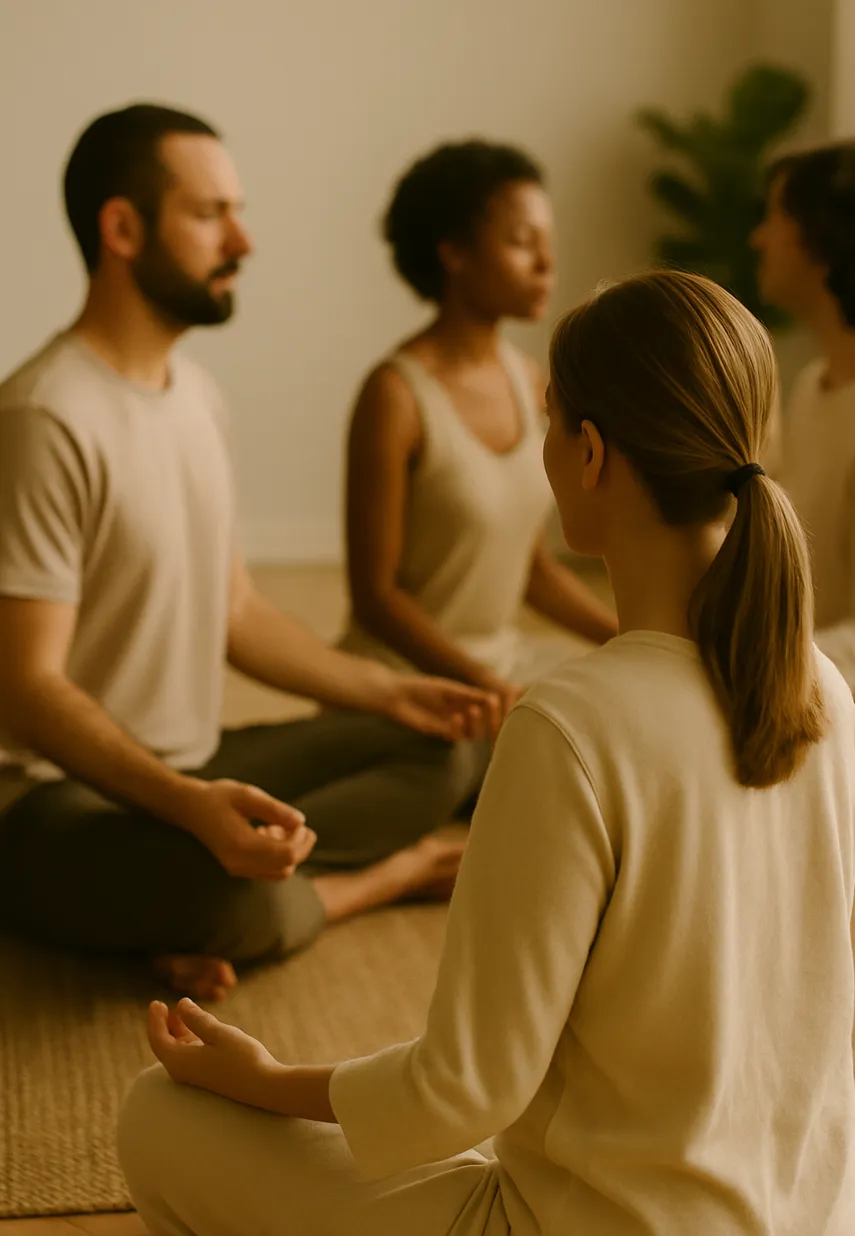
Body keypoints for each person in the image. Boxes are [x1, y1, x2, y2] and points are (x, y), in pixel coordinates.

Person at [118, 271, 855, 1236]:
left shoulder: (571, 722)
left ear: (590, 453)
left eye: (551, 422)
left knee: (160, 1113)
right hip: (821, 1220)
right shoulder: (823, 691)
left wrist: (264, 1081)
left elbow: (465, 1091)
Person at [0, 103, 499, 1003]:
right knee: (241, 901)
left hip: (191, 762)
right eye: (210, 214)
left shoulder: (198, 396)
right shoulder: (44, 417)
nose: (245, 239)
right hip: (49, 801)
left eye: (239, 209)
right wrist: (188, 807)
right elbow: (27, 693)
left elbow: (238, 615)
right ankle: (377, 878)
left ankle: (202, 892)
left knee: (442, 750)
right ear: (122, 228)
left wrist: (391, 690)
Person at [339, 140, 616, 744]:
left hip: (503, 665)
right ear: (454, 252)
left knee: (627, 712)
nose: (546, 263)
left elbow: (533, 569)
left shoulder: (534, 384)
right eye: (521, 241)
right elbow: (374, 598)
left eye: (549, 241)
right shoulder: (393, 396)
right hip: (409, 679)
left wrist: (627, 637)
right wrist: (484, 687)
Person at [752, 139, 855, 851]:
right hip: (802, 689)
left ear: (822, 235)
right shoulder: (815, 388)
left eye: (774, 217)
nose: (758, 236)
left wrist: (753, 661)